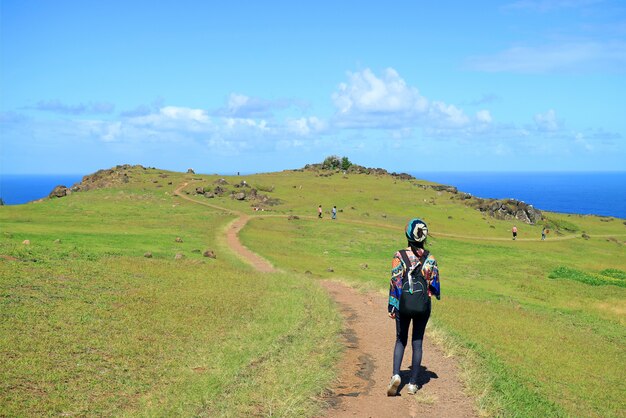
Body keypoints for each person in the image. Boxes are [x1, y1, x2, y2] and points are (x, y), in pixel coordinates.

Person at [387, 218, 440, 396]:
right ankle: (413, 384)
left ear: (408, 235)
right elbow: (434, 286)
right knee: (417, 342)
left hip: (403, 305)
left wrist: (392, 306)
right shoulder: (430, 258)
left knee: (400, 339)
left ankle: (396, 375)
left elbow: (395, 282)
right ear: (424, 236)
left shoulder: (399, 255)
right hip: (423, 305)